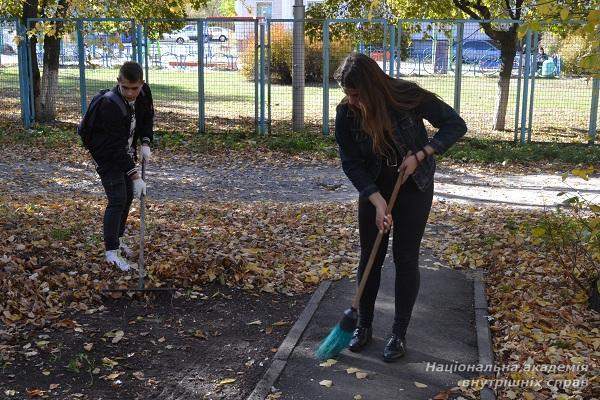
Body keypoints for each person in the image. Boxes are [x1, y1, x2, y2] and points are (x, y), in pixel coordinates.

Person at [333, 53, 467, 362]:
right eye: (346, 94)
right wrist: (377, 202)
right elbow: (351, 163)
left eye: (356, 95)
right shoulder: (347, 113)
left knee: (405, 258)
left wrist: (422, 153)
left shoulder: (406, 96)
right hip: (375, 192)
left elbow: (454, 124)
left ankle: (398, 334)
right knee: (370, 257)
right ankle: (362, 326)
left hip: (414, 188)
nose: (351, 101)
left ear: (372, 88)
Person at [86, 61, 155, 272]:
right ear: (118, 82)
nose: (131, 92)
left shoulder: (143, 93)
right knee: (117, 198)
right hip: (105, 153)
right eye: (125, 87)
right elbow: (115, 148)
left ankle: (118, 238)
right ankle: (111, 252)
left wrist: (145, 142)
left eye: (135, 88)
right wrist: (136, 177)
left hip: (124, 150)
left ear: (142, 83)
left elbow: (146, 118)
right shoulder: (110, 105)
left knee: (127, 197)